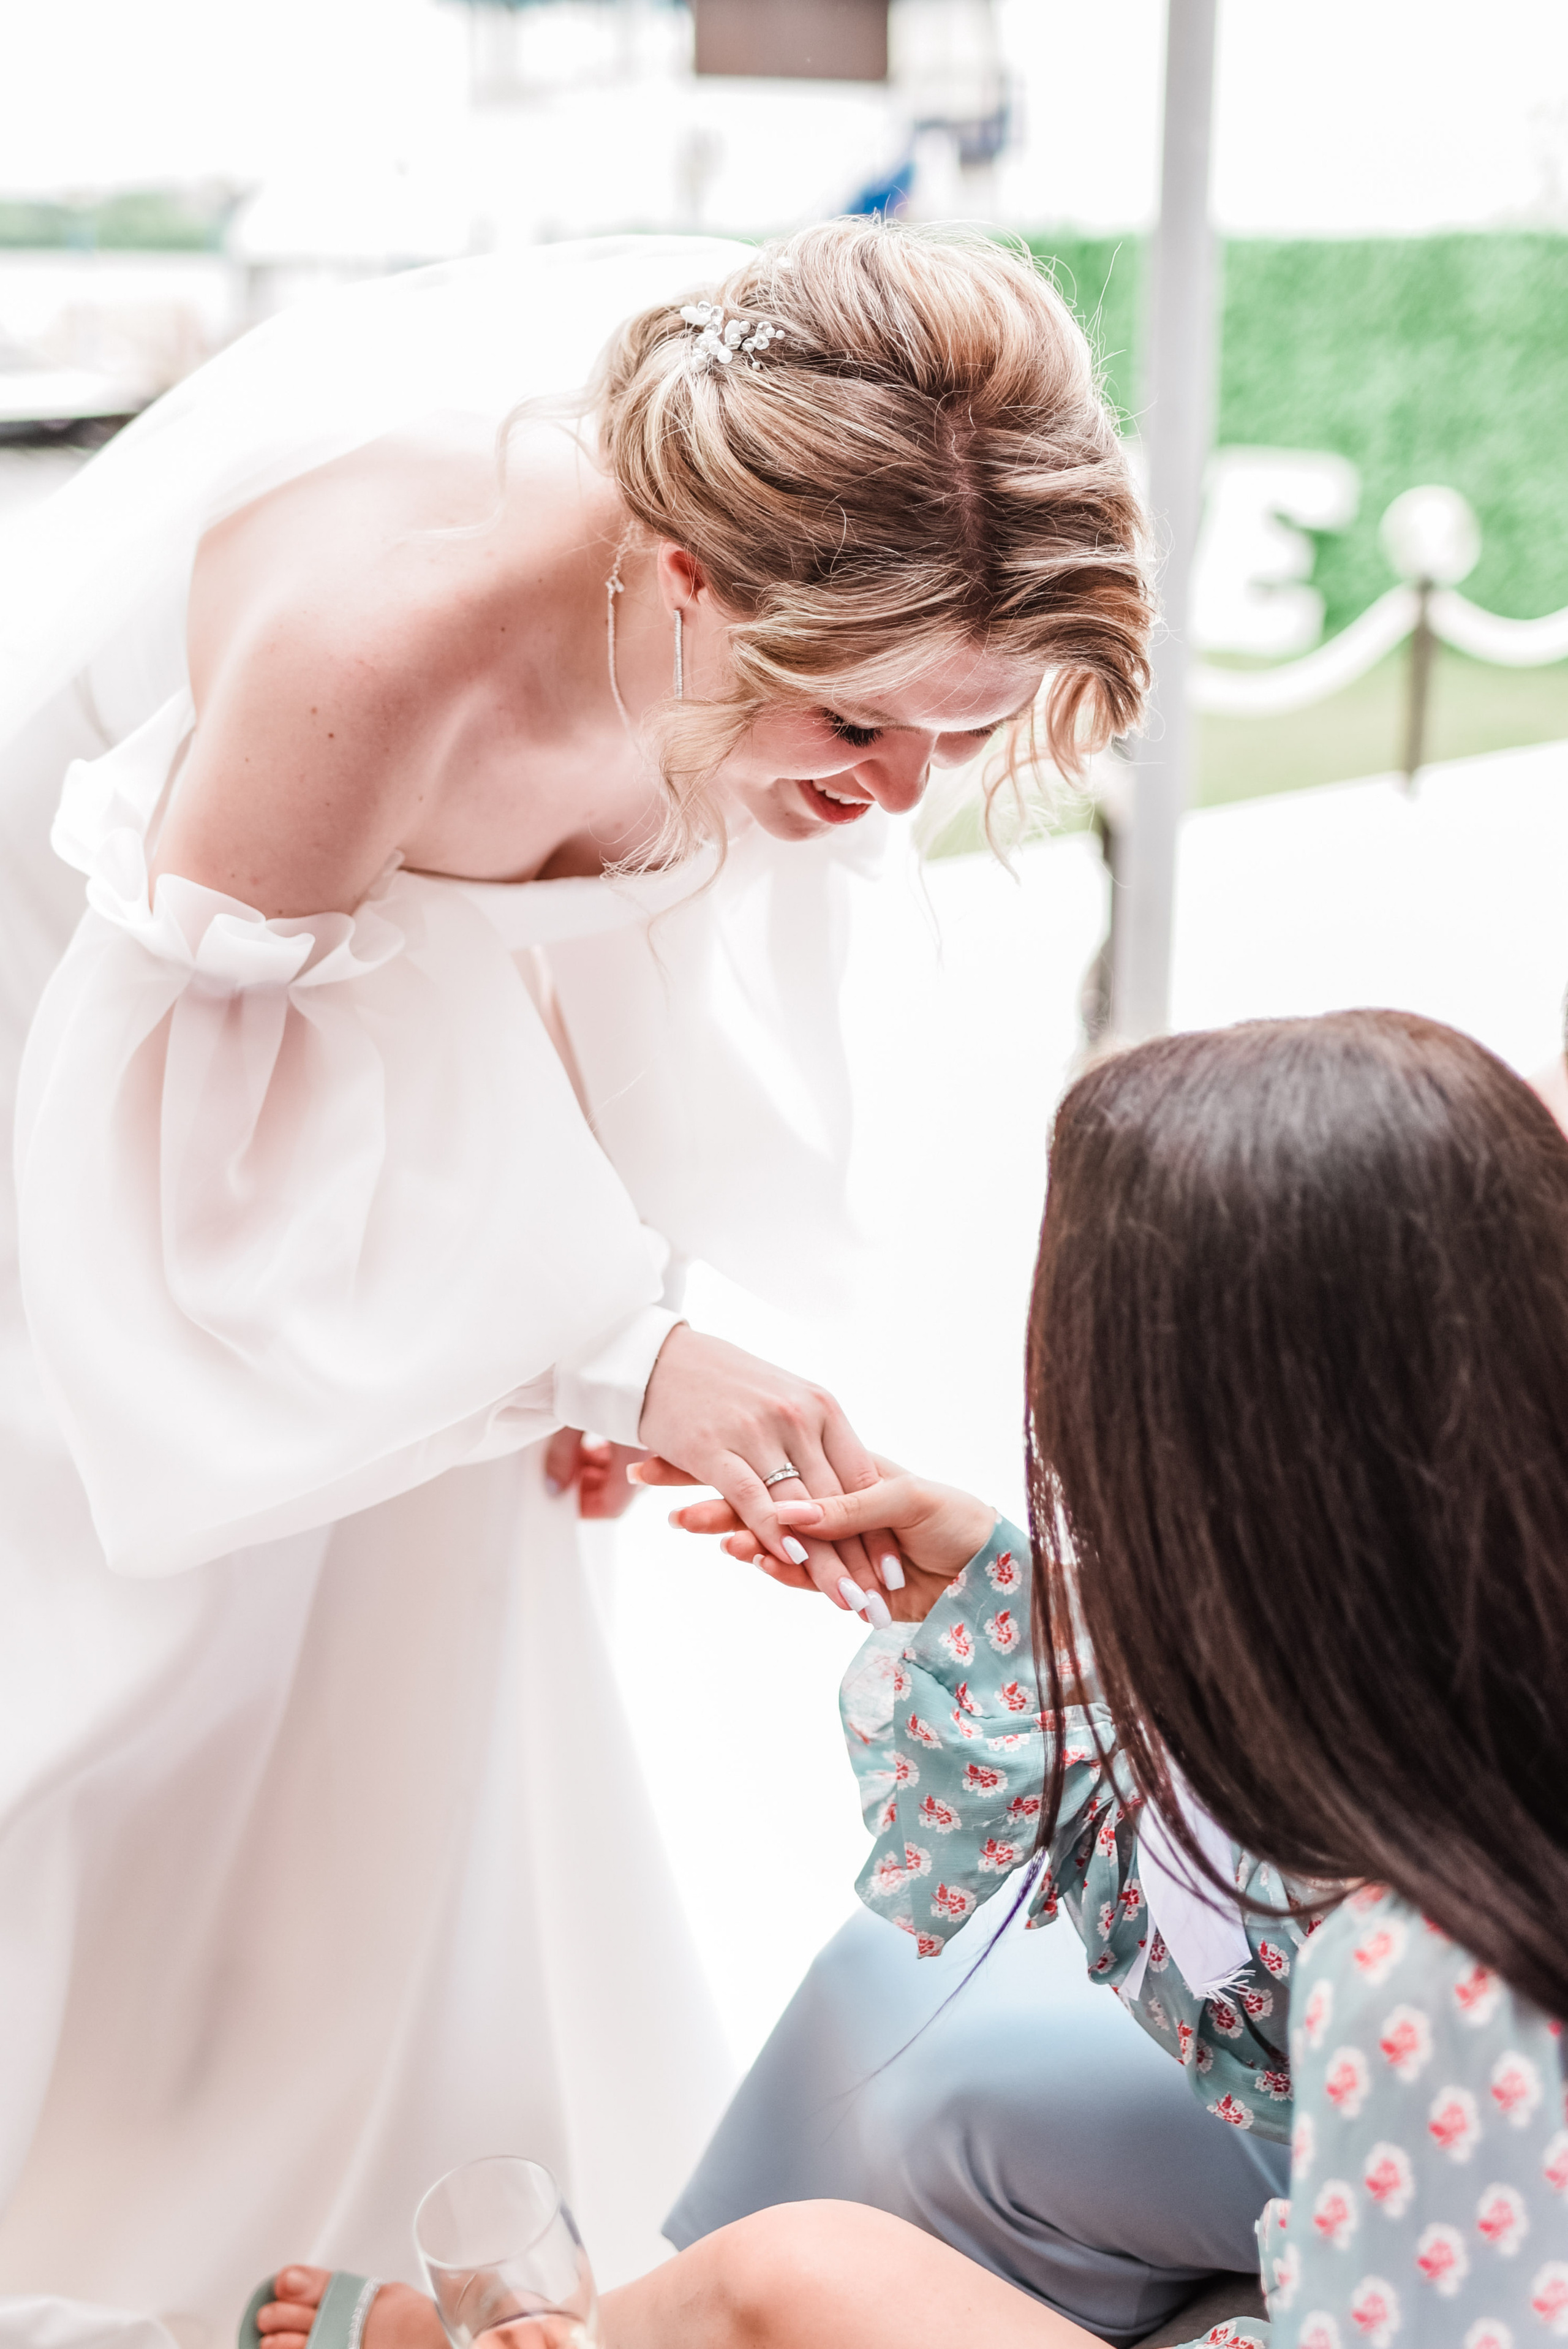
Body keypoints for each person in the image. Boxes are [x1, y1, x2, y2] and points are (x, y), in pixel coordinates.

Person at [0, 220, 1153, 2346]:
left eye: (959, 738)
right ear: (694, 580)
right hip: (139, 1130)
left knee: (454, 1600)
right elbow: (209, 1165)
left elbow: (569, 976)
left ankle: (397, 2223)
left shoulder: (798, 614)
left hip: (419, 1160)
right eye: (859, 726)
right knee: (148, 1657)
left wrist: (607, 1347)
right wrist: (604, 1339)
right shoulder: (378, 650)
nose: (894, 794)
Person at [258, 1007, 1568, 2348]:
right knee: (871, 2035)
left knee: (790, 2276)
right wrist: (1025, 1611)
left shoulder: (1417, 1980)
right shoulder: (1478, 1696)